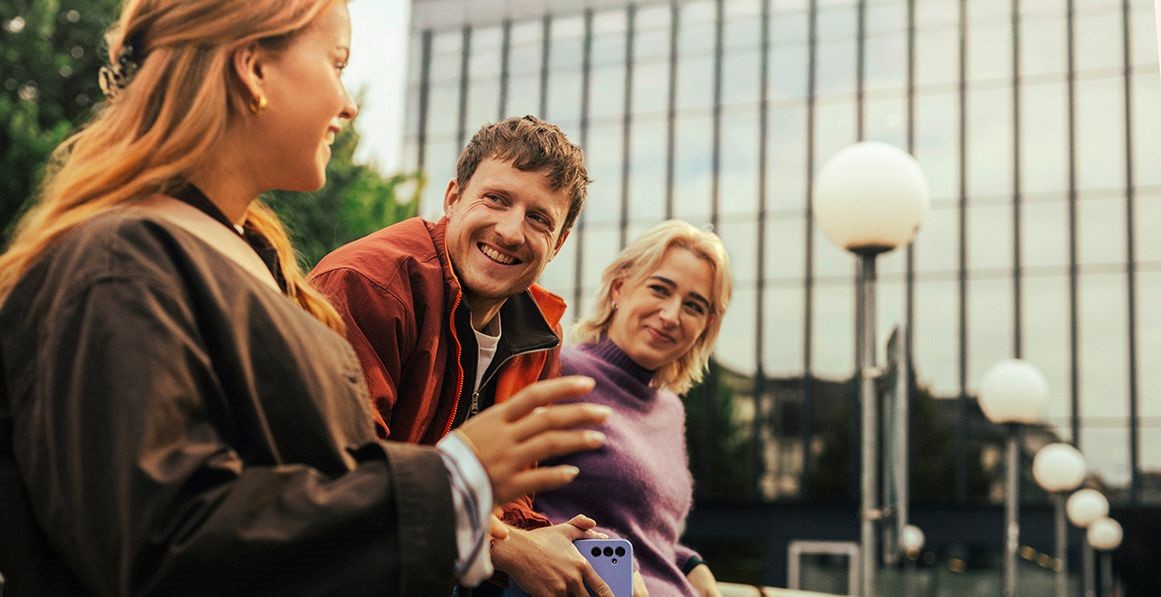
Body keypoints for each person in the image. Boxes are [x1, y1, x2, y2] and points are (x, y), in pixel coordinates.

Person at [0, 1, 610, 595]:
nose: (348, 103)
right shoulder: (122, 268)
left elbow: (305, 497)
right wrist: (453, 485)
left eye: (538, 218)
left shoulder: (250, 266)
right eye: (338, 63)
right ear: (253, 69)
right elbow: (157, 544)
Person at [309, 116, 614, 593]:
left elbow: (508, 503)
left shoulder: (539, 335)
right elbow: (340, 484)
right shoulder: (368, 286)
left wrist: (545, 542)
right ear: (453, 198)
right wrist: (503, 545)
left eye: (539, 219)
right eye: (496, 199)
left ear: (558, 244)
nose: (512, 231)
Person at [534, 221, 734, 597]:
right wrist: (611, 560)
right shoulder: (558, 371)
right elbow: (516, 507)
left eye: (693, 306)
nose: (671, 315)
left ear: (705, 327)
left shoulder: (670, 409)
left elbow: (647, 530)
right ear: (619, 288)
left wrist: (689, 561)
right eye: (660, 289)